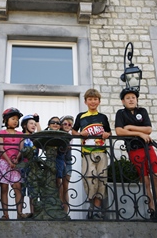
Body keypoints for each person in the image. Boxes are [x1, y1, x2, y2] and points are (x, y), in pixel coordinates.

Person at [115, 87, 157, 221]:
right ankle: (152, 210)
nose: (131, 100)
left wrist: (130, 127)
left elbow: (148, 129)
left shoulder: (142, 111)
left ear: (136, 99)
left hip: (148, 148)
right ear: (123, 101)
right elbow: (119, 131)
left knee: (156, 177)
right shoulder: (120, 113)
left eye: (133, 97)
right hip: (134, 150)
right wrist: (139, 133)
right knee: (145, 181)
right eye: (128, 98)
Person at [72, 89, 111, 220]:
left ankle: (97, 209)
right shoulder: (81, 116)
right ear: (85, 101)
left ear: (99, 101)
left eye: (95, 99)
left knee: (102, 179)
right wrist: (79, 134)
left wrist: (107, 135)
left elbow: (108, 132)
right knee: (89, 178)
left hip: (101, 151)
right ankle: (91, 206)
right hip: (87, 152)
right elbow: (73, 131)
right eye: (90, 99)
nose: (93, 102)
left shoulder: (103, 117)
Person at [0, 107, 27, 220]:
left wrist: (16, 159)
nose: (15, 121)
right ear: (6, 120)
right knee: (4, 188)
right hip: (4, 162)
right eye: (13, 118)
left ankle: (19, 213)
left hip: (15, 163)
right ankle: (6, 214)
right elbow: (0, 147)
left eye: (17, 119)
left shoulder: (20, 134)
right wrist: (9, 161)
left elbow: (21, 148)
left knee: (17, 187)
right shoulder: (1, 133)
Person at [20, 114, 41, 216]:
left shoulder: (36, 138)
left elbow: (42, 136)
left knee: (33, 192)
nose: (33, 125)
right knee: (22, 191)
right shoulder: (21, 136)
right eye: (31, 123)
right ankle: (20, 213)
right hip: (23, 166)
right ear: (25, 125)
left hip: (34, 167)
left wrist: (38, 121)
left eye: (34, 124)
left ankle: (33, 213)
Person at [45, 116, 66, 205]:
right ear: (49, 124)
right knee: (49, 180)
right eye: (53, 122)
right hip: (49, 159)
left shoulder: (62, 135)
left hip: (59, 159)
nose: (55, 124)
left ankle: (60, 202)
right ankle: (50, 201)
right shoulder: (46, 134)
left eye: (57, 123)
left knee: (58, 180)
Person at [59, 115, 74, 213]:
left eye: (70, 124)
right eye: (65, 124)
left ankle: (65, 212)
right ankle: (60, 208)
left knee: (65, 186)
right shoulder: (58, 134)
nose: (67, 126)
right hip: (60, 161)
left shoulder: (69, 135)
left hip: (67, 162)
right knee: (59, 185)